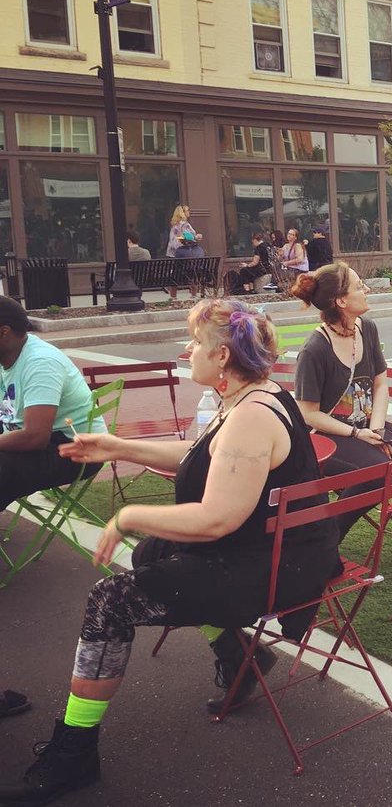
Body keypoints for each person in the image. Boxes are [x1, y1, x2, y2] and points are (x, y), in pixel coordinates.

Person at [0, 301, 338, 805]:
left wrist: (128, 515)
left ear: (221, 355)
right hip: (278, 550)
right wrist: (118, 446)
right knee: (153, 553)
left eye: (196, 344)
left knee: (109, 599)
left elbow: (214, 519)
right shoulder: (256, 394)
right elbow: (202, 454)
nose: (187, 351)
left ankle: (74, 754)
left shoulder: (249, 416)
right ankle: (240, 657)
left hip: (269, 568)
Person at [291, 263, 392, 551]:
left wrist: (377, 429)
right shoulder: (315, 349)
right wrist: (357, 435)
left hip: (368, 426)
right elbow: (308, 414)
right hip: (326, 436)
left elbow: (381, 385)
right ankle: (324, 544)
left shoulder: (367, 328)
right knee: (377, 473)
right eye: (359, 286)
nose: (367, 289)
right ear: (341, 301)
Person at [0, 297, 106, 505]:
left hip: (74, 448)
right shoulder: (8, 357)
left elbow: (35, 437)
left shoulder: (41, 363)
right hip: (35, 436)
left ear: (4, 332)